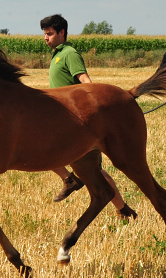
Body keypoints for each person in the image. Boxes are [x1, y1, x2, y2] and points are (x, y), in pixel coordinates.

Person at [40, 14, 137, 220]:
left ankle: (121, 208)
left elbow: (86, 82)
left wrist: (96, 111)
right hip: (60, 117)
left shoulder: (70, 54)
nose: (46, 38)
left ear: (62, 33)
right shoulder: (57, 54)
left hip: (74, 120)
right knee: (41, 150)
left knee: (93, 170)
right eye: (45, 34)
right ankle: (70, 180)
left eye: (49, 34)